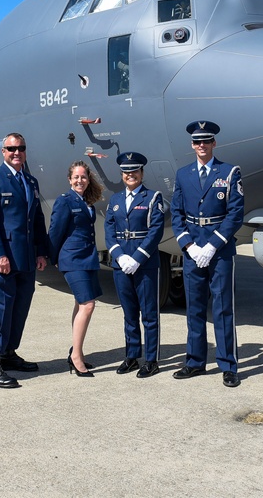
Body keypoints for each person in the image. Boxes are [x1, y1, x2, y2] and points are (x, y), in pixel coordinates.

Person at [170, 120, 245, 388]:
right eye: (197, 141)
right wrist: (189, 246)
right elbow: (176, 214)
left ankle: (228, 365)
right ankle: (194, 362)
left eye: (206, 141)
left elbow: (235, 213)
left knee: (224, 308)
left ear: (214, 143)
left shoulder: (229, 172)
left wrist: (213, 244)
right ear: (192, 145)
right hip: (193, 250)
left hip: (220, 249)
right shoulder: (183, 174)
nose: (201, 145)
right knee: (195, 308)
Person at [0, 133, 48, 388]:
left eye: (21, 148)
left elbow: (36, 219)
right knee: (1, 310)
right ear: (2, 152)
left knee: (19, 310)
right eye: (11, 149)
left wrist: (41, 252)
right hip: (3, 259)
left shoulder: (30, 180)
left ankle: (8, 353)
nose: (17, 153)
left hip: (26, 258)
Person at [104, 152, 165, 378]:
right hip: (121, 264)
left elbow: (155, 231)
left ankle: (151, 359)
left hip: (145, 264)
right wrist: (119, 256)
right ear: (121, 175)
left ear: (141, 173)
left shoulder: (152, 198)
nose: (131, 175)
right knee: (129, 313)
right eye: (126, 172)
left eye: (135, 171)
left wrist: (137, 258)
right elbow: (109, 231)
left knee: (149, 314)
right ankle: (131, 356)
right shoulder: (116, 200)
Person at [49, 161, 104, 377]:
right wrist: (52, 258)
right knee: (87, 305)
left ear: (88, 180)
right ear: (69, 180)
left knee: (80, 304)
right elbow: (55, 231)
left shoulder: (86, 202)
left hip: (87, 259)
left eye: (83, 177)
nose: (79, 180)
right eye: (76, 177)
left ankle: (76, 350)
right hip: (72, 259)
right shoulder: (65, 201)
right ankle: (76, 357)